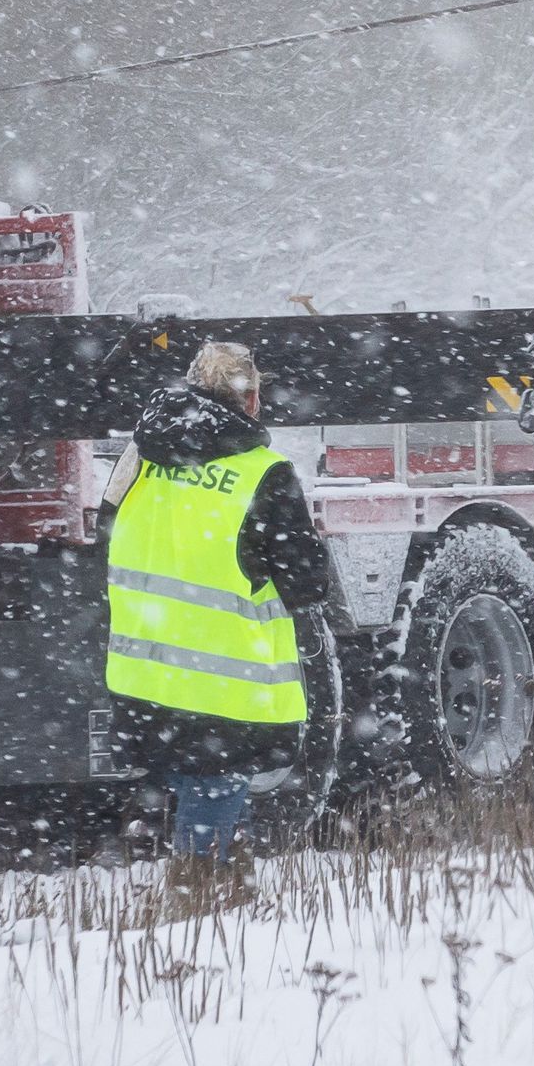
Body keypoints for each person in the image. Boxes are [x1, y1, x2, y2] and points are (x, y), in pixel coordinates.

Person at [103, 338, 332, 878]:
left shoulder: (139, 457)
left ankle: (219, 871)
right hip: (224, 675)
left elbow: (106, 533)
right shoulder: (264, 473)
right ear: (250, 399)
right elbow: (306, 584)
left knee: (187, 772)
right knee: (217, 776)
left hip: (146, 667)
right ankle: (201, 887)